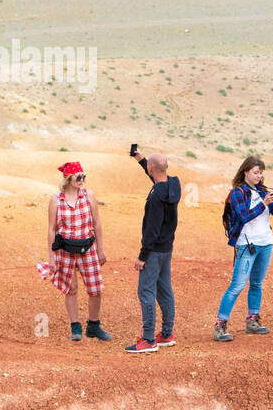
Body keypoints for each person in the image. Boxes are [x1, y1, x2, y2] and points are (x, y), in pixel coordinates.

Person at [37, 161, 112, 341]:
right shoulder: (56, 199)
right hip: (65, 250)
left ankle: (93, 326)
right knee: (71, 289)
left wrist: (101, 249)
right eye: (78, 176)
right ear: (68, 178)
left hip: (88, 248)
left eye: (83, 176)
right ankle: (75, 327)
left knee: (95, 288)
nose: (82, 180)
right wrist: (52, 257)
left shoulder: (89, 195)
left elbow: (97, 224)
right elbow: (51, 229)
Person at [214, 156, 273, 342]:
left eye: (260, 173)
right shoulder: (238, 192)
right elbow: (244, 216)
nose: (259, 176)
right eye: (255, 172)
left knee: (257, 283)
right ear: (245, 172)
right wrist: (264, 203)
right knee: (237, 285)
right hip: (247, 244)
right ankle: (220, 326)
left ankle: (252, 320)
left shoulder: (262, 191)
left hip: (266, 242)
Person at [126, 149, 181, 352]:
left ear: (151, 168)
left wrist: (143, 256)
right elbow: (156, 174)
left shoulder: (157, 197)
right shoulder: (173, 184)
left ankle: (148, 339)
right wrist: (140, 158)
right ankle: (167, 334)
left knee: (146, 292)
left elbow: (152, 229)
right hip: (167, 248)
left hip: (154, 251)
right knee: (165, 290)